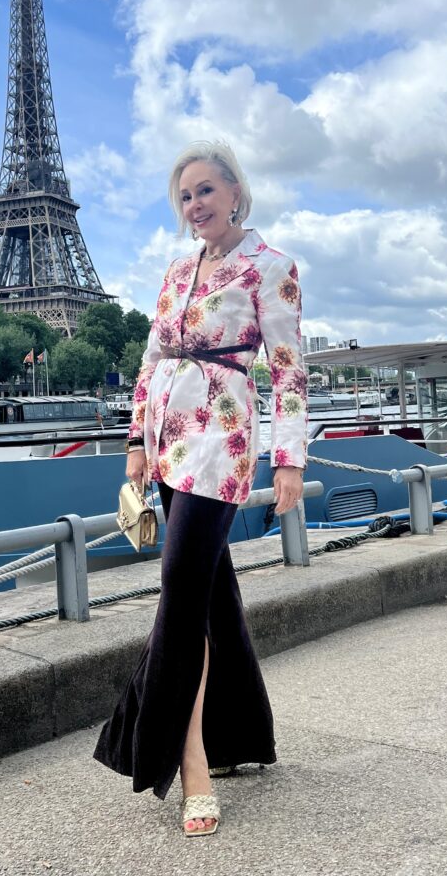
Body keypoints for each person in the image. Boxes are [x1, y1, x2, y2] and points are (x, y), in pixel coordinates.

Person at [93, 140, 307, 837]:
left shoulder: (271, 267)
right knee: (210, 592)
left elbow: (288, 370)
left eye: (207, 191)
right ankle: (243, 731)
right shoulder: (178, 269)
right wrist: (134, 441)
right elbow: (152, 358)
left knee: (180, 592)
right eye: (185, 196)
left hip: (224, 439)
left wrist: (290, 460)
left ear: (237, 192)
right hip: (167, 437)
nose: (196, 206)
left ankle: (189, 766)